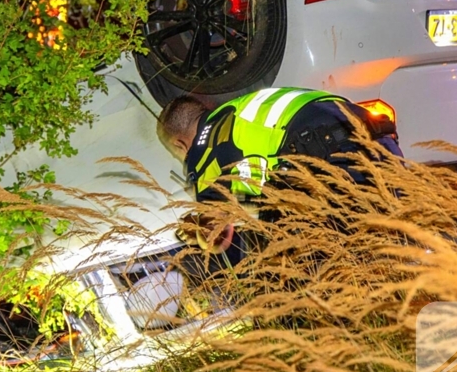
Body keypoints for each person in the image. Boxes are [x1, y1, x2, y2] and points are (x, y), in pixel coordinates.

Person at [157, 87, 403, 262]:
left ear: (180, 145)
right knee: (404, 238)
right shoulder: (245, 108)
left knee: (323, 265)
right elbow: (255, 186)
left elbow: (217, 237)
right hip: (378, 137)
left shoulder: (203, 151)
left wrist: (196, 234)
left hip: (334, 159)